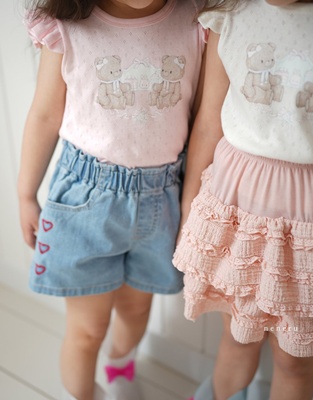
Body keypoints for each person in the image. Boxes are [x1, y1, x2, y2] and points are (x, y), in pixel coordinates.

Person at [173, 0, 313, 399]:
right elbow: (208, 124)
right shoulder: (234, 11)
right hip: (237, 211)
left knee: (295, 359)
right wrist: (189, 213)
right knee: (236, 338)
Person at [18, 0, 205, 399]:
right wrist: (25, 194)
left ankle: (120, 368)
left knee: (136, 310)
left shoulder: (195, 19)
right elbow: (45, 115)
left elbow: (203, 114)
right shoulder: (69, 26)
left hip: (162, 196)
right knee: (88, 330)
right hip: (85, 201)